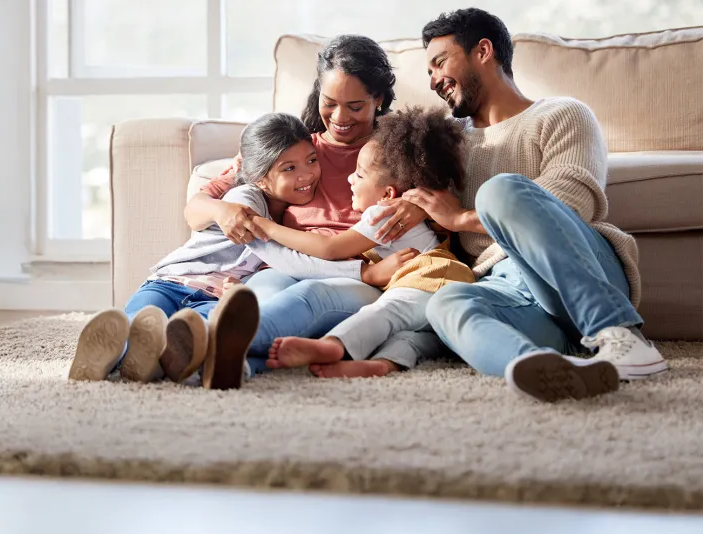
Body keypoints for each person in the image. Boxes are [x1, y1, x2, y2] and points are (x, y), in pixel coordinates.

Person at [378, 8, 668, 402]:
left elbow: (570, 203)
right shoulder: (447, 141)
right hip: (507, 289)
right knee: (446, 303)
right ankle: (545, 369)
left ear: (483, 50)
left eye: (439, 63)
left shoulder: (562, 113)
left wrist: (462, 217)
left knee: (501, 191)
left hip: (579, 273)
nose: (433, 81)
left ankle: (620, 334)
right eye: (428, 72)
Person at [67, 113, 408, 389]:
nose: (307, 175)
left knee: (186, 340)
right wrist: (362, 273)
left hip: (213, 299)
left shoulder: (280, 207)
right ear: (259, 177)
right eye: (289, 169)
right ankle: (106, 354)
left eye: (311, 160)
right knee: (135, 322)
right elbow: (289, 259)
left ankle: (143, 363)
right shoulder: (245, 205)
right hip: (172, 282)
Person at [186, 35, 445, 377]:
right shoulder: (292, 148)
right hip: (287, 263)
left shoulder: (395, 152)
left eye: (355, 106)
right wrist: (223, 211)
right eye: (330, 102)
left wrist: (420, 206)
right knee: (261, 296)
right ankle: (231, 364)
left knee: (310, 297)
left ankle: (202, 347)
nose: (340, 118)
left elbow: (447, 204)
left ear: (378, 99)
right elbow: (196, 208)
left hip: (356, 277)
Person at [256, 107, 475, 378]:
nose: (350, 178)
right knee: (413, 334)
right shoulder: (402, 207)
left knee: (386, 311)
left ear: (387, 193)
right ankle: (382, 364)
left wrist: (269, 228)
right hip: (443, 282)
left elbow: (330, 249)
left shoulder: (382, 213)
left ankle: (332, 346)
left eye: (359, 175)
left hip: (431, 275)